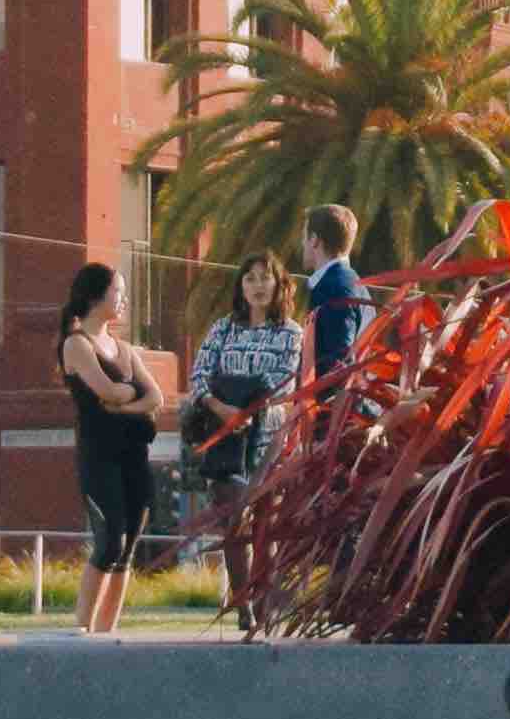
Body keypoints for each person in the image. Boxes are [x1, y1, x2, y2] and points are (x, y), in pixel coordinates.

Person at [52, 261, 162, 636]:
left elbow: (156, 397)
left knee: (129, 547)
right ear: (96, 295)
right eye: (118, 291)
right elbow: (107, 390)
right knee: (110, 540)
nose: (124, 298)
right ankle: (82, 630)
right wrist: (129, 394)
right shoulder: (76, 344)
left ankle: (106, 633)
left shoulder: (125, 349)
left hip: (134, 456)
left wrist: (123, 405)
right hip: (99, 457)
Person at [177, 252, 311, 542]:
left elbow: (282, 384)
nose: (258, 285)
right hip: (225, 440)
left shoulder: (291, 333)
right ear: (241, 287)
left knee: (265, 532)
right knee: (234, 530)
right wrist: (220, 408)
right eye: (250, 278)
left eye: (265, 277)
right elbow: (199, 377)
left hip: (269, 444)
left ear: (279, 284)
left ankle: (263, 576)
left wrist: (245, 410)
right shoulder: (223, 328)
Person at [298, 203, 372, 378]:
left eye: (304, 237)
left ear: (314, 240)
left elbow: (338, 363)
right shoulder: (355, 283)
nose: (302, 243)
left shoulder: (334, 288)